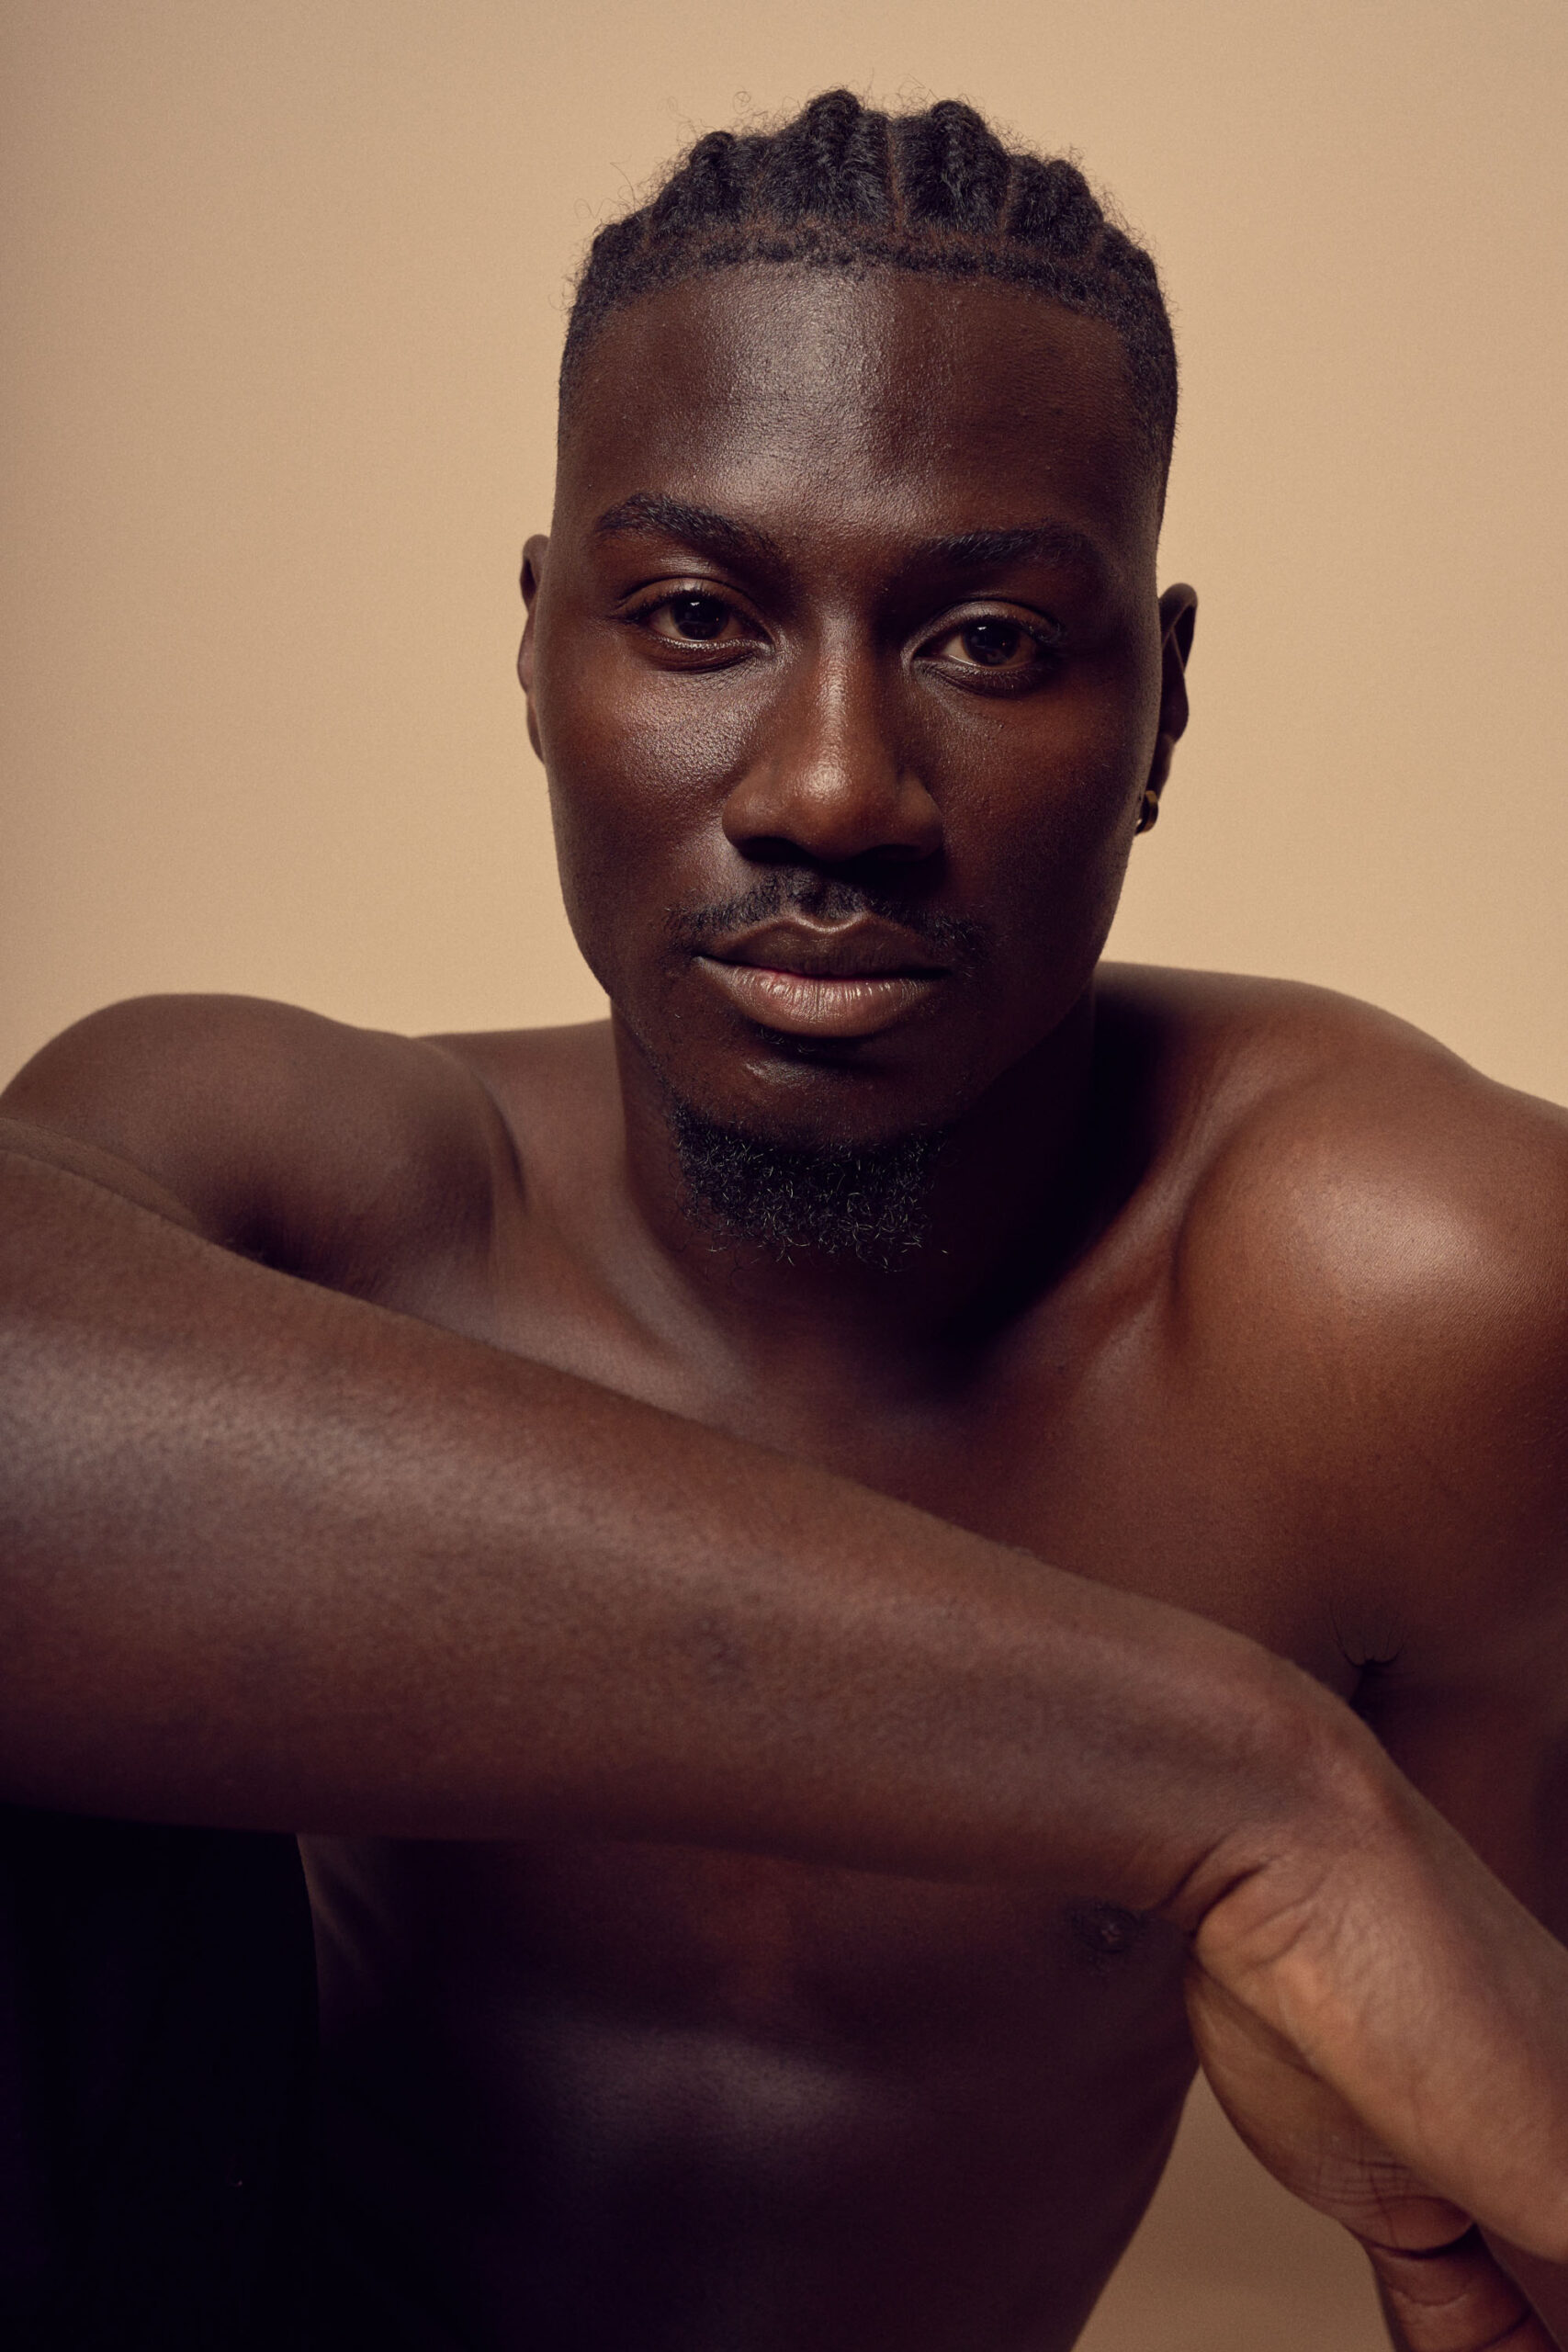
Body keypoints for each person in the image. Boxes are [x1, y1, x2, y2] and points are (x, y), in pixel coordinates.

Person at [3, 86, 1567, 2352]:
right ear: (540, 656)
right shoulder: (296, 1184)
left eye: (993, 643)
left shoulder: (1391, 1302)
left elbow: (1488, 2128)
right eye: (697, 613)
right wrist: (1246, 1782)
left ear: (1160, 705)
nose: (829, 785)